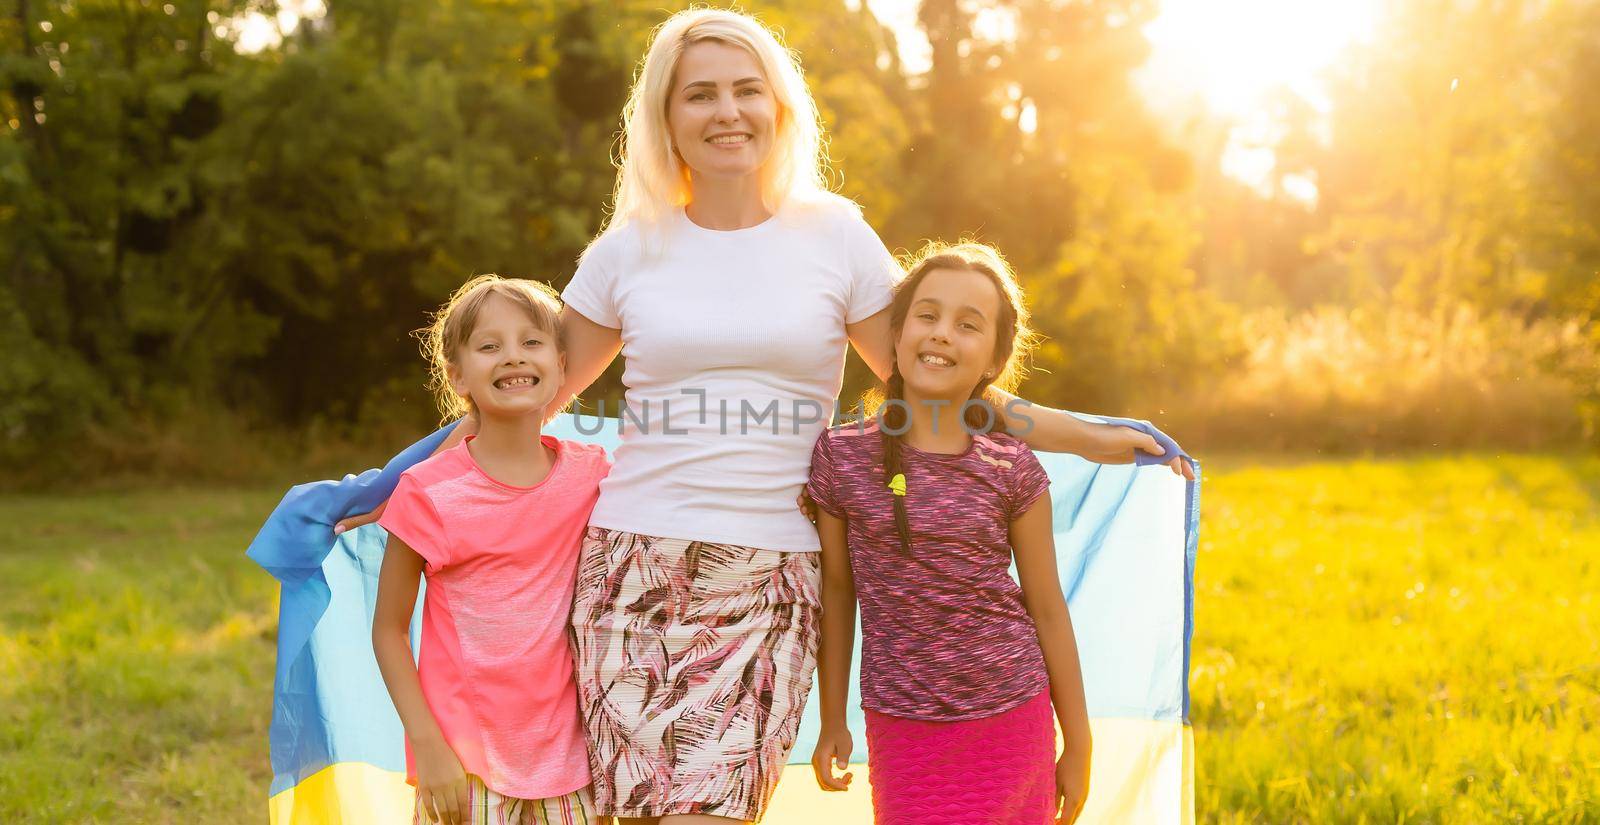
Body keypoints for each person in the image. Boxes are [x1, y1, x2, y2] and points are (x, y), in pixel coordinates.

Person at [343, 9, 1188, 824]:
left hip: (774, 577)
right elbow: (524, 398)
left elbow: (935, 382)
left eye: (746, 89)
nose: (726, 111)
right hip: (628, 578)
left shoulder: (835, 236)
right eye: (699, 93)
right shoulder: (627, 249)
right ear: (666, 119)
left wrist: (1089, 433)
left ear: (779, 108)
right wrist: (398, 474)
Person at [806, 242, 1091, 824]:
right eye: (928, 315)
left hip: (1013, 715)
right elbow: (837, 594)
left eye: (967, 325)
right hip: (902, 725)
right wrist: (831, 718)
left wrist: (1078, 741)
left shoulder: (1011, 467)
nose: (941, 334)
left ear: (991, 361)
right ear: (898, 334)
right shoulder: (841, 456)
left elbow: (1047, 608)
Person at [369, 275, 612, 825]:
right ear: (457, 376)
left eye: (531, 342)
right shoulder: (428, 491)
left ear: (560, 363)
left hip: (575, 764)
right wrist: (427, 747)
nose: (512, 358)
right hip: (464, 765)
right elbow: (388, 628)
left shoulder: (592, 475)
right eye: (489, 346)